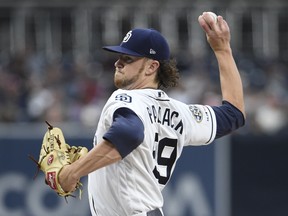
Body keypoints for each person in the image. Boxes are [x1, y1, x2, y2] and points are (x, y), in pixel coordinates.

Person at [59, 12, 245, 216]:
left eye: (128, 58)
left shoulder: (126, 98)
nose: (118, 63)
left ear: (152, 66)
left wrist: (72, 172)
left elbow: (129, 134)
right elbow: (233, 114)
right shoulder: (180, 112)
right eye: (119, 57)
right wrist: (223, 49)